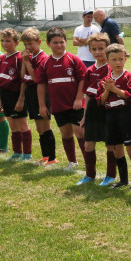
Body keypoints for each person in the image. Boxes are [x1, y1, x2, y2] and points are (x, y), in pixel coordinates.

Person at [35, 27, 88, 171]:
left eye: (61, 42)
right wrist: (42, 106)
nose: (59, 45)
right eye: (55, 42)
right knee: (66, 133)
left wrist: (79, 99)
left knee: (80, 132)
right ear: (48, 44)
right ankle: (72, 162)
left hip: (75, 104)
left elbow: (83, 80)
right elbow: (41, 85)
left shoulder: (73, 59)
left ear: (66, 42)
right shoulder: (45, 63)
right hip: (58, 105)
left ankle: (89, 162)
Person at [97, 44, 131, 189]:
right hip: (111, 115)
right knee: (117, 149)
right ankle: (123, 180)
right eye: (114, 59)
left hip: (126, 115)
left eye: (120, 59)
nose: (118, 62)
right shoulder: (105, 79)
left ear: (125, 59)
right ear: (107, 60)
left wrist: (114, 89)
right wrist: (107, 90)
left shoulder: (129, 77)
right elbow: (101, 102)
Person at [79, 33, 117, 186]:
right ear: (89, 50)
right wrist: (84, 114)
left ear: (107, 48)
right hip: (93, 110)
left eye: (101, 48)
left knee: (110, 144)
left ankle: (110, 175)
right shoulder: (89, 70)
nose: (97, 52)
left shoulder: (111, 69)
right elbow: (88, 94)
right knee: (88, 144)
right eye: (93, 49)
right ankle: (90, 175)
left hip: (107, 110)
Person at [18, 28, 57, 165]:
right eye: (25, 45)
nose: (28, 47)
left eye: (30, 44)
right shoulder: (30, 57)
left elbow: (35, 78)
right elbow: (23, 76)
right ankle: (45, 156)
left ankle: (52, 157)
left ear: (39, 42)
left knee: (45, 125)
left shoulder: (42, 58)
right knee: (39, 127)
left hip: (41, 93)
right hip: (30, 93)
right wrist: (24, 62)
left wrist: (27, 63)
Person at [0, 28, 32, 161]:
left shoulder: (19, 58)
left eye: (8, 41)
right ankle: (17, 152)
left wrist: (21, 99)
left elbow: (23, 80)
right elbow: (1, 81)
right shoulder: (1, 59)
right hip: (5, 96)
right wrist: (0, 100)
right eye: (3, 41)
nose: (5, 44)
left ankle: (27, 153)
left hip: (16, 95)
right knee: (12, 125)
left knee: (22, 124)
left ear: (16, 43)